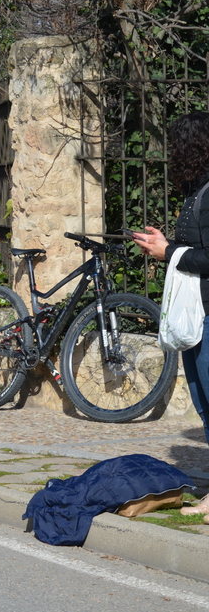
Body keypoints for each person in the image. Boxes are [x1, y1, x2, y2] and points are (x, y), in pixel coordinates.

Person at [134, 113, 209, 452]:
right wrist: (166, 246)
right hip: (198, 315)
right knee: (203, 403)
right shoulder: (197, 192)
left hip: (207, 315)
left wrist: (168, 251)